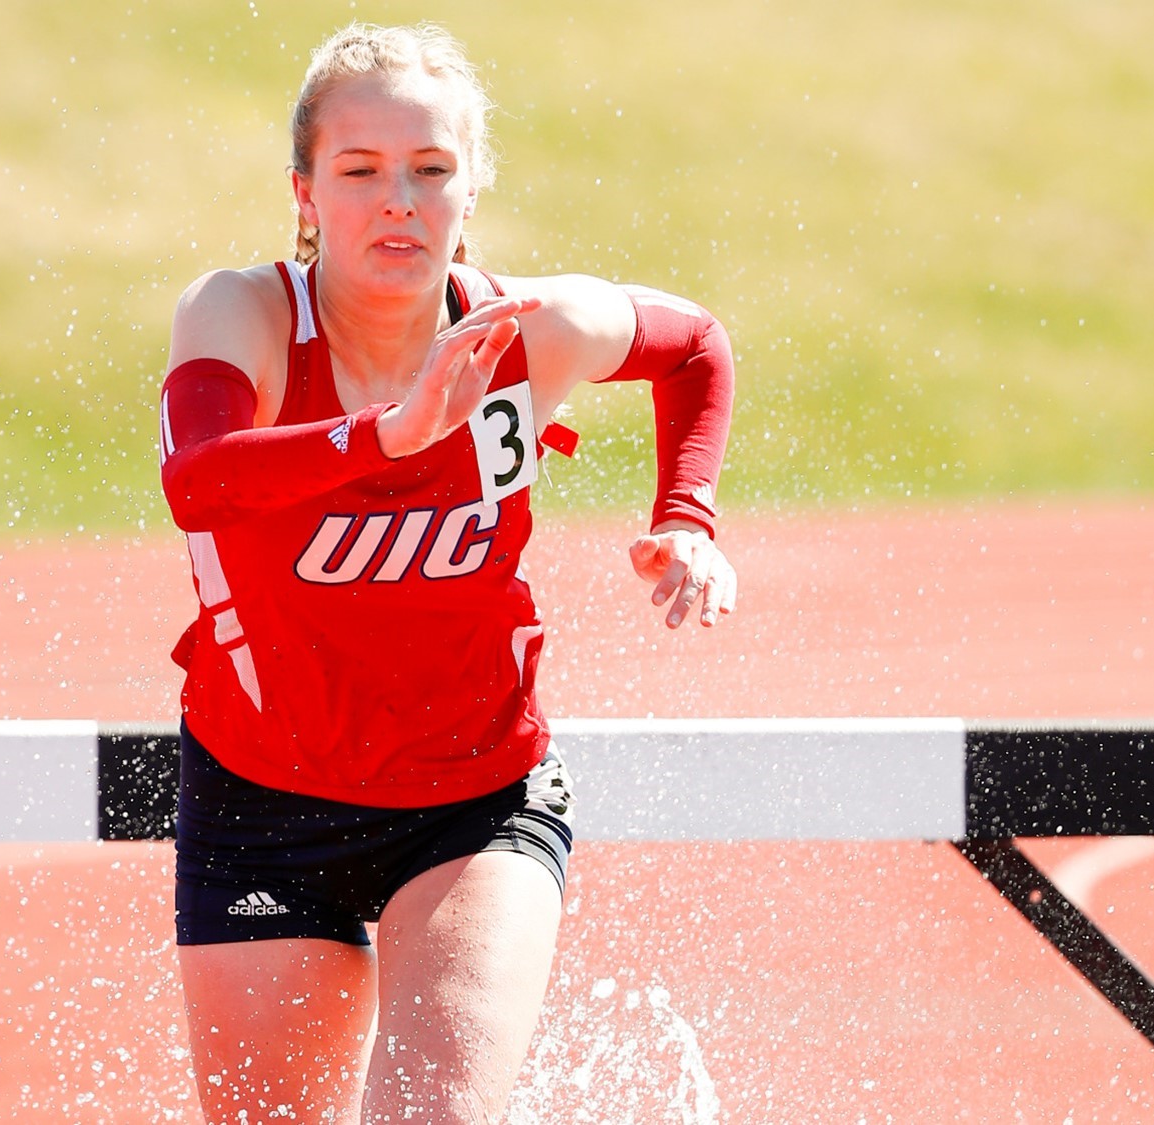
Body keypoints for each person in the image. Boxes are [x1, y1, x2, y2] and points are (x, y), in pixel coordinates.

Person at [155, 21, 737, 1123]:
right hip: (261, 798)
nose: (398, 202)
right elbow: (201, 483)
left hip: (474, 797)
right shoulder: (241, 315)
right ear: (304, 192)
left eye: (430, 171)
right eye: (360, 171)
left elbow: (695, 345)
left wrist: (687, 517)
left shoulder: (528, 331)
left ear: (469, 191)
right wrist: (391, 432)